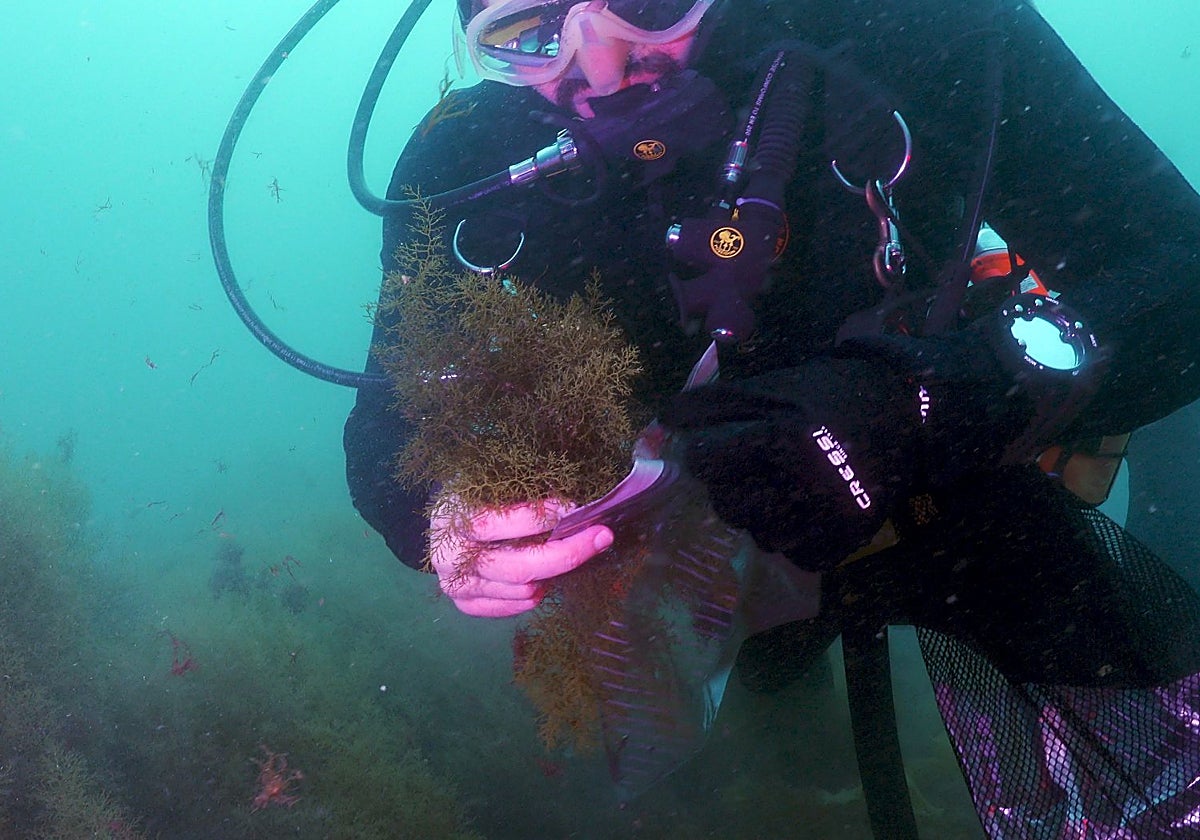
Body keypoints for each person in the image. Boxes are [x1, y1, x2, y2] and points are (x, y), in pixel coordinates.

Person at [344, 0, 1200, 835]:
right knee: (777, 705)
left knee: (1130, 707)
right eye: (529, 35)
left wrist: (926, 399)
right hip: (719, 542)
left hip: (968, 486)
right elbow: (390, 431)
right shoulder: (467, 157)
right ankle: (795, 740)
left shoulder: (922, 28)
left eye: (648, 3)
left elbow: (1182, 274)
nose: (601, 66)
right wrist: (441, 516)